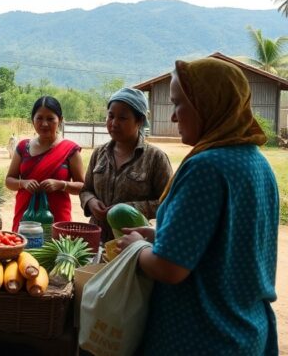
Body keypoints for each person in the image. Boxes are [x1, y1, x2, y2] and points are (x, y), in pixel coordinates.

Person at [117, 57, 278, 355]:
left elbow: (169, 268)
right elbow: (226, 245)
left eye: (178, 104)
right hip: (246, 332)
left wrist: (136, 248)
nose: (173, 117)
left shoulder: (206, 167)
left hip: (202, 336)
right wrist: (161, 237)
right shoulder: (257, 163)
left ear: (208, 104)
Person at [79, 87, 173, 243]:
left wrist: (128, 209)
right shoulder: (99, 154)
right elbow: (86, 190)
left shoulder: (155, 158)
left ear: (140, 121)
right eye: (111, 116)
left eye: (122, 118)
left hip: (133, 244)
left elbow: (168, 203)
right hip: (96, 240)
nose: (114, 123)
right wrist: (91, 202)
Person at [5, 96, 85, 232]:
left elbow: (82, 187)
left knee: (55, 246)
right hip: (26, 219)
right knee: (23, 246)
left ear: (60, 120)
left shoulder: (70, 150)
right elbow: (9, 181)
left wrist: (61, 185)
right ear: (33, 120)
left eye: (50, 118)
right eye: (39, 118)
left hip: (57, 221)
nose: (44, 124)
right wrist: (23, 183)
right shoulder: (23, 147)